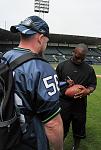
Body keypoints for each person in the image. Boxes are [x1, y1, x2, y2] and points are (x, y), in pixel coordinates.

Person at [3, 16, 63, 150]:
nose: (46, 45)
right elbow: (53, 124)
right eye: (46, 41)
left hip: (7, 135)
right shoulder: (42, 68)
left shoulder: (6, 56)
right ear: (40, 38)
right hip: (30, 140)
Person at [56, 43, 97, 150]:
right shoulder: (62, 66)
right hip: (64, 103)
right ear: (73, 52)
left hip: (80, 104)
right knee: (63, 127)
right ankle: (60, 146)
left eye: (82, 59)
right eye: (77, 57)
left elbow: (93, 84)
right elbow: (55, 83)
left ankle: (76, 147)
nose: (79, 61)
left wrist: (87, 91)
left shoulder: (89, 69)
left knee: (78, 127)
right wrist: (65, 83)